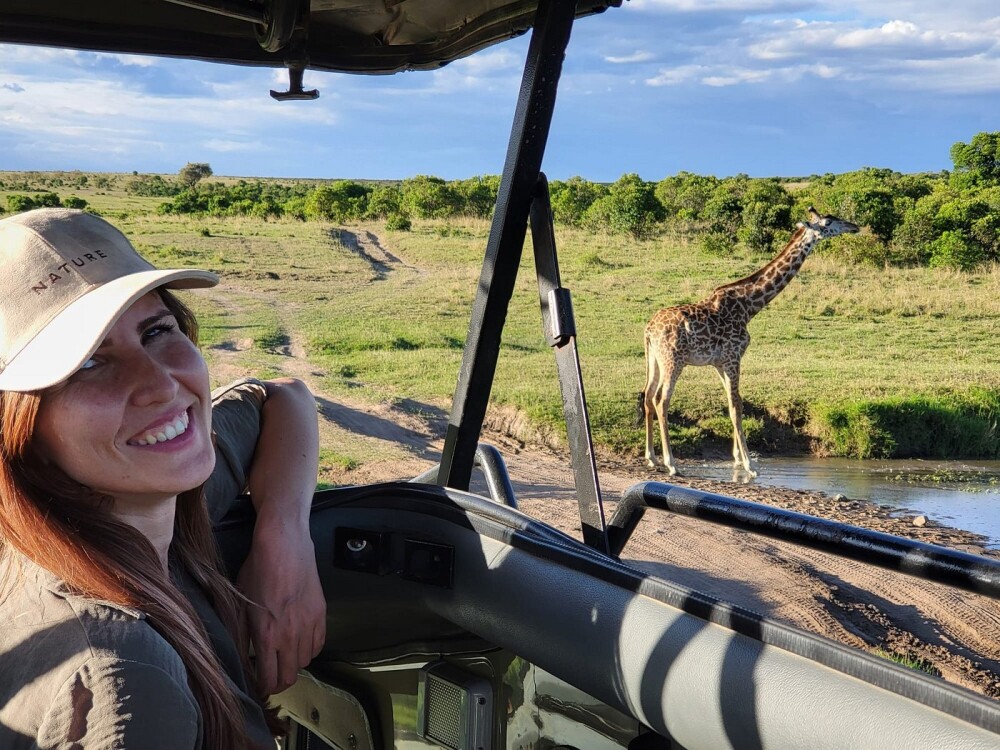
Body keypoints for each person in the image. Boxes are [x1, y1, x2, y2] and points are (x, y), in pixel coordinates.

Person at [0, 208, 325, 748]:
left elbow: (280, 396)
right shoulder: (126, 680)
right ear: (20, 427)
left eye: (155, 330)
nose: (162, 386)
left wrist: (284, 536)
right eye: (87, 363)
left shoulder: (147, 497)